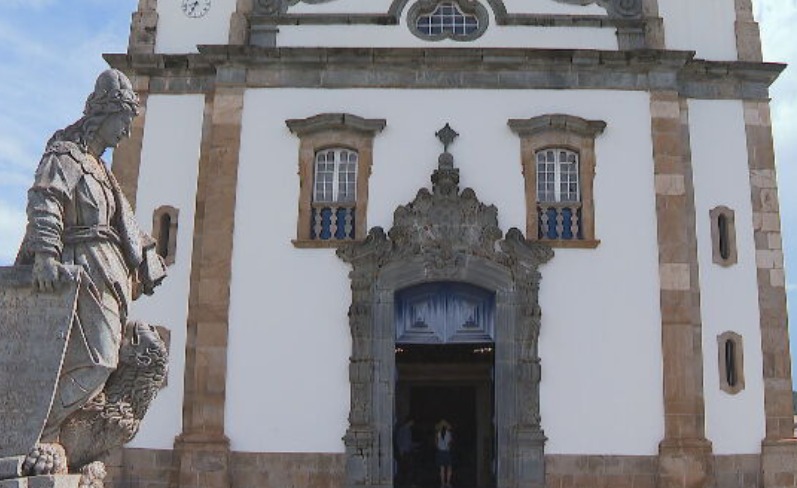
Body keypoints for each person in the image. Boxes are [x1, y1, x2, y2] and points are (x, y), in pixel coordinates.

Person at [15, 69, 166, 460]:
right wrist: (47, 254)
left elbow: (119, 224)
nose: (127, 133)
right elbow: (46, 198)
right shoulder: (66, 155)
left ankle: (54, 436)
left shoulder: (101, 171)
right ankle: (40, 429)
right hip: (80, 266)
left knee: (100, 360)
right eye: (125, 122)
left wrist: (148, 255)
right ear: (106, 114)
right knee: (98, 360)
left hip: (105, 271)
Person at [395, 418, 415, 486]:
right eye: (412, 422)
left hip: (408, 450)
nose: (412, 423)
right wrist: (401, 449)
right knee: (403, 467)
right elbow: (399, 440)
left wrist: (412, 446)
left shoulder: (408, 430)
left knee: (408, 467)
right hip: (403, 451)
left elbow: (409, 441)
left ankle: (407, 482)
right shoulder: (402, 429)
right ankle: (401, 482)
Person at [435, 420, 454, 488]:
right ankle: (448, 483)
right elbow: (450, 443)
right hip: (447, 452)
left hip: (440, 452)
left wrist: (440, 447)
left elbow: (436, 443)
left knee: (442, 469)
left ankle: (442, 484)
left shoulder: (438, 433)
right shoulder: (449, 433)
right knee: (449, 468)